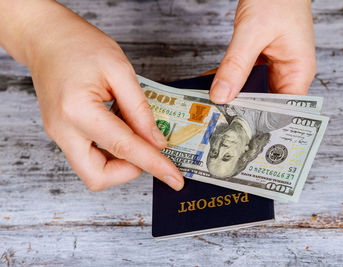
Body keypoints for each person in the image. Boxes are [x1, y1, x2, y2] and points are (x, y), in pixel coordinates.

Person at [0, 0, 316, 192]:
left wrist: (34, 29)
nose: (218, 147)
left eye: (214, 155)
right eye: (225, 155)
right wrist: (34, 27)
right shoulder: (274, 117)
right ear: (246, 152)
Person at [207, 104, 292, 178]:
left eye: (214, 152)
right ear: (245, 152)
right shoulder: (271, 120)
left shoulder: (220, 105)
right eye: (227, 156)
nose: (222, 148)